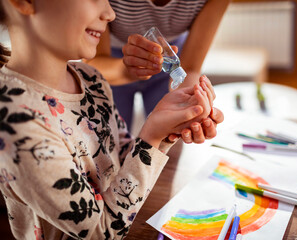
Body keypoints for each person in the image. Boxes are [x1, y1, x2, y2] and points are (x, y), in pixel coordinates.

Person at [0, 0, 223, 239]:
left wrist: (164, 128)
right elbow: (100, 231)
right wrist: (152, 136)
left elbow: (120, 158)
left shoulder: (91, 78)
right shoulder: (16, 125)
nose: (110, 13)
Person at [86, 0, 231, 131]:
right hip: (110, 61)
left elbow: (190, 68)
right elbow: (92, 64)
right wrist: (127, 69)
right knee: (111, 140)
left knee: (171, 137)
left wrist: (194, 104)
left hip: (173, 56)